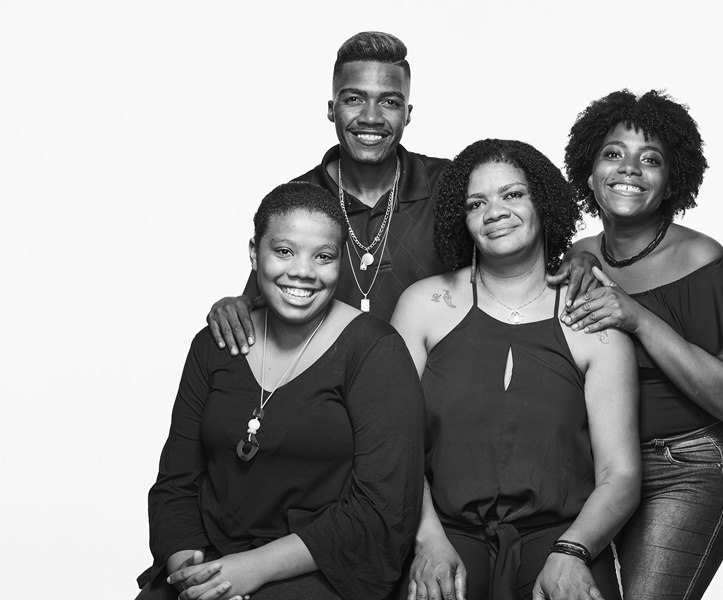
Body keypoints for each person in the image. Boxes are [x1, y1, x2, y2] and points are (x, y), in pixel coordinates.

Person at [206, 31, 600, 356]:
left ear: (408, 113)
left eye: (390, 102)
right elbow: (264, 296)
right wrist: (233, 306)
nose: (371, 117)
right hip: (326, 404)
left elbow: (518, 238)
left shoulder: (452, 185)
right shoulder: (300, 199)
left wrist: (578, 258)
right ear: (331, 108)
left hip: (435, 400)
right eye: (354, 98)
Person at [136, 182, 425, 600]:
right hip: (209, 560)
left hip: (319, 563)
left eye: (323, 256)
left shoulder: (375, 350)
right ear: (255, 253)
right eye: (285, 251)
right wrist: (196, 575)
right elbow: (176, 483)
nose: (303, 271)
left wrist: (251, 570)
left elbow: (382, 509)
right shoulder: (214, 344)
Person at [391, 139, 640, 600]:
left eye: (512, 194)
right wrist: (427, 541)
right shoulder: (424, 306)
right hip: (442, 531)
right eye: (476, 203)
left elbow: (620, 475)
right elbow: (392, 446)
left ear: (542, 202)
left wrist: (573, 552)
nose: (494, 212)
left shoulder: (593, 318)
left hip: (563, 535)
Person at [560, 90, 723, 599]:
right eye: (613, 154)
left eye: (650, 159)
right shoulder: (578, 256)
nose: (629, 169)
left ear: (672, 181)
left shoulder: (702, 260)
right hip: (598, 471)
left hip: (685, 467)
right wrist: (581, 261)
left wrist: (638, 319)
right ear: (589, 172)